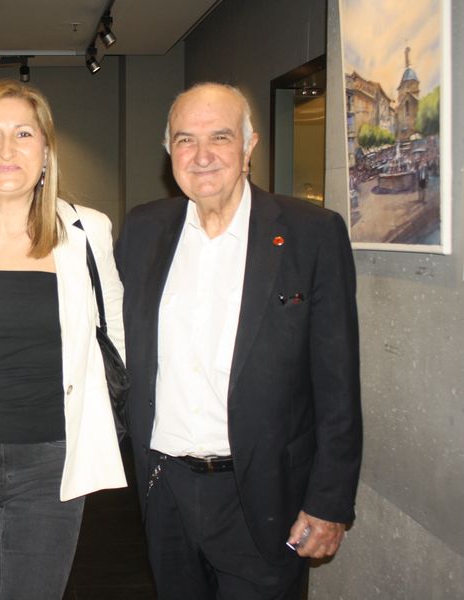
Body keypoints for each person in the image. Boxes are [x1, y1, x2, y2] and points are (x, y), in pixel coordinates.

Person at [115, 82, 362, 599]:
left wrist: (329, 502)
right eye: (185, 140)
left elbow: (337, 382)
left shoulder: (311, 233)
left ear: (250, 146)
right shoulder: (142, 229)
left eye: (220, 137)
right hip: (166, 489)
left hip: (265, 497)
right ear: (168, 151)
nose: (201, 155)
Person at [0, 79, 126, 600]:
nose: (7, 150)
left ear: (46, 151)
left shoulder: (88, 232)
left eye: (23, 134)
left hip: (50, 463)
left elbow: (116, 335)